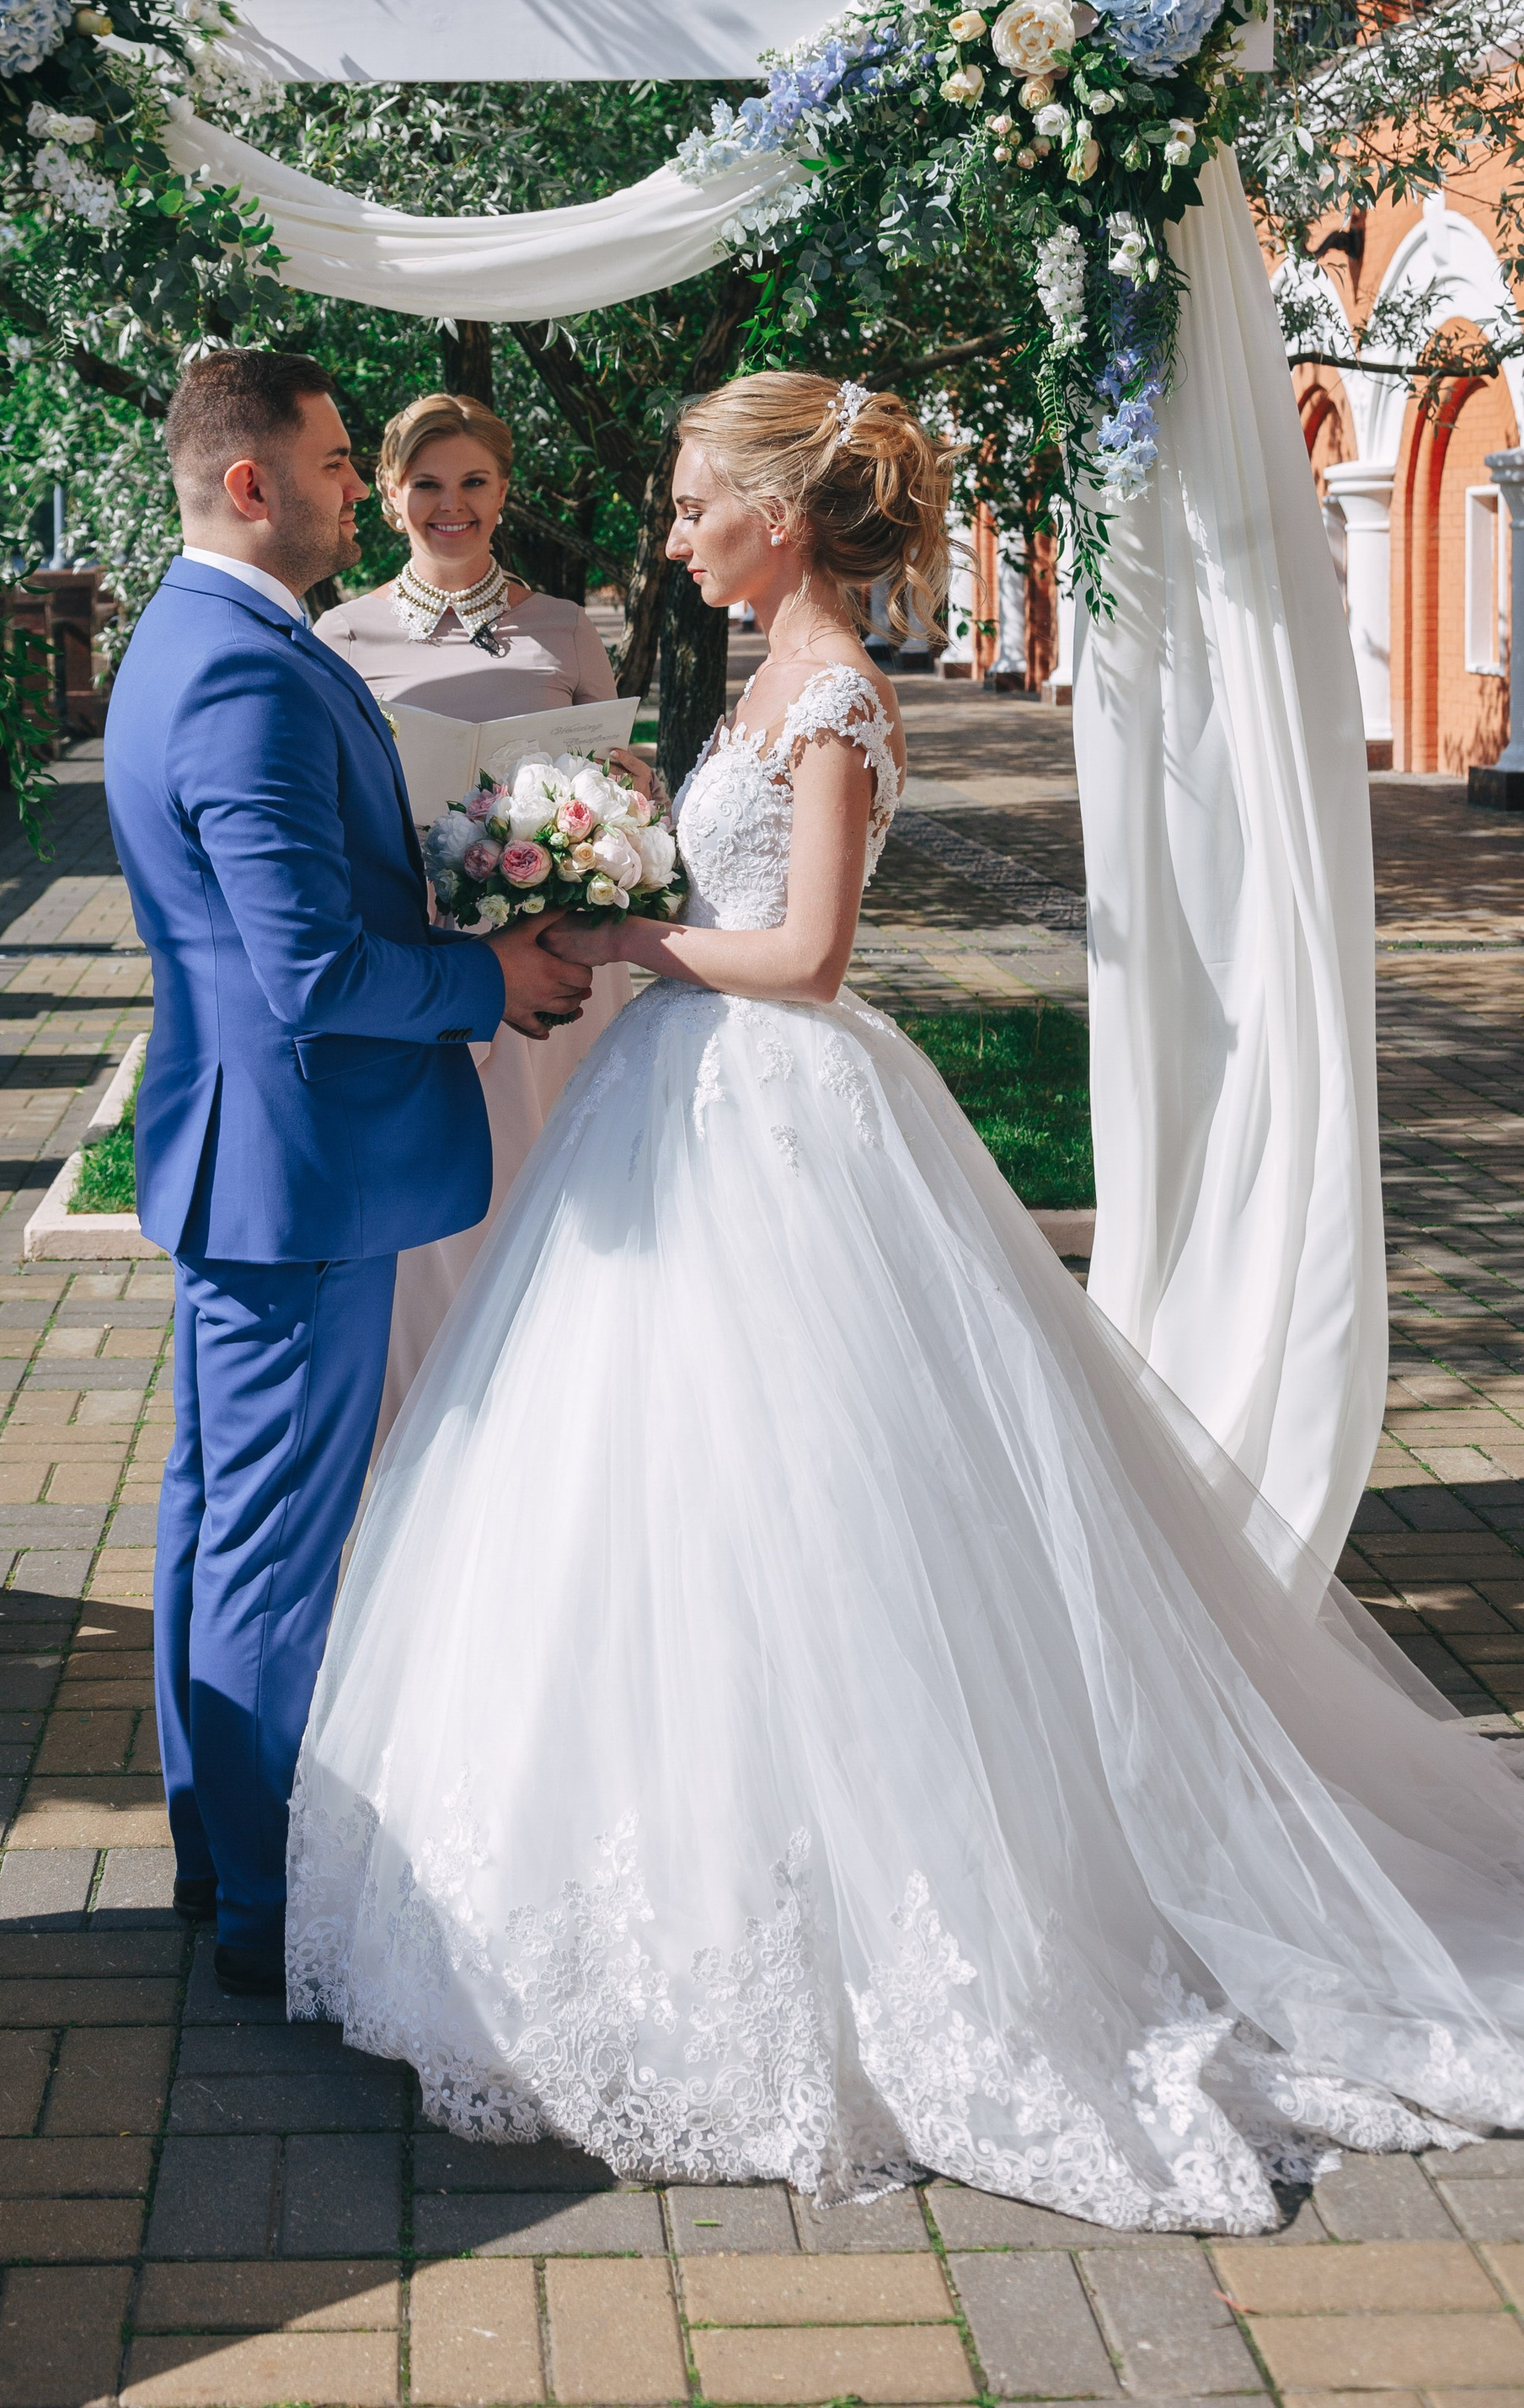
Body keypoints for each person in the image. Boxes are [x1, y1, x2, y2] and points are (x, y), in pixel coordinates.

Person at [286, 367, 1524, 2229]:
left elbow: (802, 953)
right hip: (679, 1103)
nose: (679, 525)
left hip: (774, 1107)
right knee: (653, 1494)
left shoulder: (838, 696)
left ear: (780, 513)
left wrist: (626, 932)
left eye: (700, 498)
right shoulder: (753, 684)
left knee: (826, 1492)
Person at [102, 349, 591, 1994]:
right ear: (251, 484)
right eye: (325, 465)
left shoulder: (199, 635)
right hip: (295, 1167)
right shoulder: (240, 668)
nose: (345, 488)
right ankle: (263, 1900)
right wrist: (492, 985)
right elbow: (307, 966)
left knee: (210, 1519)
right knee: (268, 1545)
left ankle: (209, 1849)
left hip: (246, 1148)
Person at [314, 392, 634, 1436]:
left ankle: (556, 1415)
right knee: (439, 1206)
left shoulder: (563, 625)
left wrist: (620, 784)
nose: (451, 506)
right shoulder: (339, 631)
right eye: (426, 485)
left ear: (504, 490)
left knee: (556, 1183)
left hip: (552, 944)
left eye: (474, 483)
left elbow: (614, 771)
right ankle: (437, 1426)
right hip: (418, 955)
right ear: (393, 495)